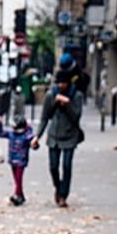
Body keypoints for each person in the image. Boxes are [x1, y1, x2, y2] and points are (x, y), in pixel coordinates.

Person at [31, 69, 85, 207]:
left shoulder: (76, 96)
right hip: (54, 135)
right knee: (53, 166)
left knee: (67, 166)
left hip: (70, 135)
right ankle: (58, 187)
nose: (61, 86)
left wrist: (67, 105)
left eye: (64, 83)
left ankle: (63, 195)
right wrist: (37, 136)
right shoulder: (51, 95)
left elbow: (76, 117)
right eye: (59, 83)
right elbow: (45, 117)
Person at [0, 114, 34, 205]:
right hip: (12, 160)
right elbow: (0, 133)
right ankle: (21, 195)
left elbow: (32, 140)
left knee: (19, 178)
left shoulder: (26, 136)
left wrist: (28, 127)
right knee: (16, 179)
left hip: (21, 161)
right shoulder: (11, 134)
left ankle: (16, 195)